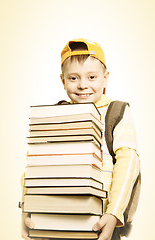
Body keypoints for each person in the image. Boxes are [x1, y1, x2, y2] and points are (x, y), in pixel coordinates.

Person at [20, 38, 140, 240]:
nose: (83, 85)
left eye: (92, 77)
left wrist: (113, 213)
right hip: (57, 220)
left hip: (101, 220)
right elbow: (36, 165)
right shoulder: (55, 115)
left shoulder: (116, 112)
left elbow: (129, 162)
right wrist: (27, 208)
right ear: (63, 80)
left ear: (105, 78)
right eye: (73, 78)